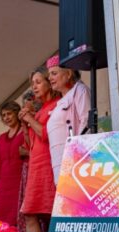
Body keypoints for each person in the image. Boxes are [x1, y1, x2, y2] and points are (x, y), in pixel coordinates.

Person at [20, 67, 60, 232]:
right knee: (29, 213)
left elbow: (47, 135)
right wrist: (24, 124)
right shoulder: (42, 109)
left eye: (38, 82)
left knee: (51, 214)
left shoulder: (58, 105)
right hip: (36, 166)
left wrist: (30, 120)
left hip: (49, 165)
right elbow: (30, 144)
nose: (34, 87)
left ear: (49, 83)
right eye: (32, 84)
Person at [47, 54, 91, 183]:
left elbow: (87, 125)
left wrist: (78, 160)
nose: (50, 78)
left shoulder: (80, 91)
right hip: (61, 170)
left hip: (76, 168)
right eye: (49, 74)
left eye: (54, 73)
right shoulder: (60, 102)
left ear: (69, 73)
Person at [0, 101, 26, 227]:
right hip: (3, 185)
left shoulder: (25, 132)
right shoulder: (1, 137)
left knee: (18, 217)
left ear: (17, 113)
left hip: (19, 181)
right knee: (1, 219)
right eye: (4, 115)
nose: (6, 118)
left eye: (9, 114)